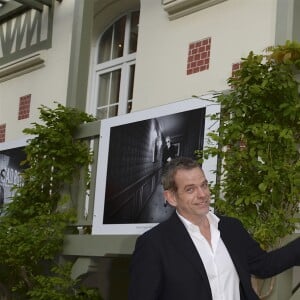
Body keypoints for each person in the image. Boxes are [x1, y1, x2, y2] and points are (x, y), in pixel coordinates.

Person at [128, 157, 300, 300]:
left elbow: (264, 266)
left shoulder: (231, 228)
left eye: (204, 185)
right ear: (171, 197)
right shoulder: (153, 244)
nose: (202, 194)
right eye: (190, 189)